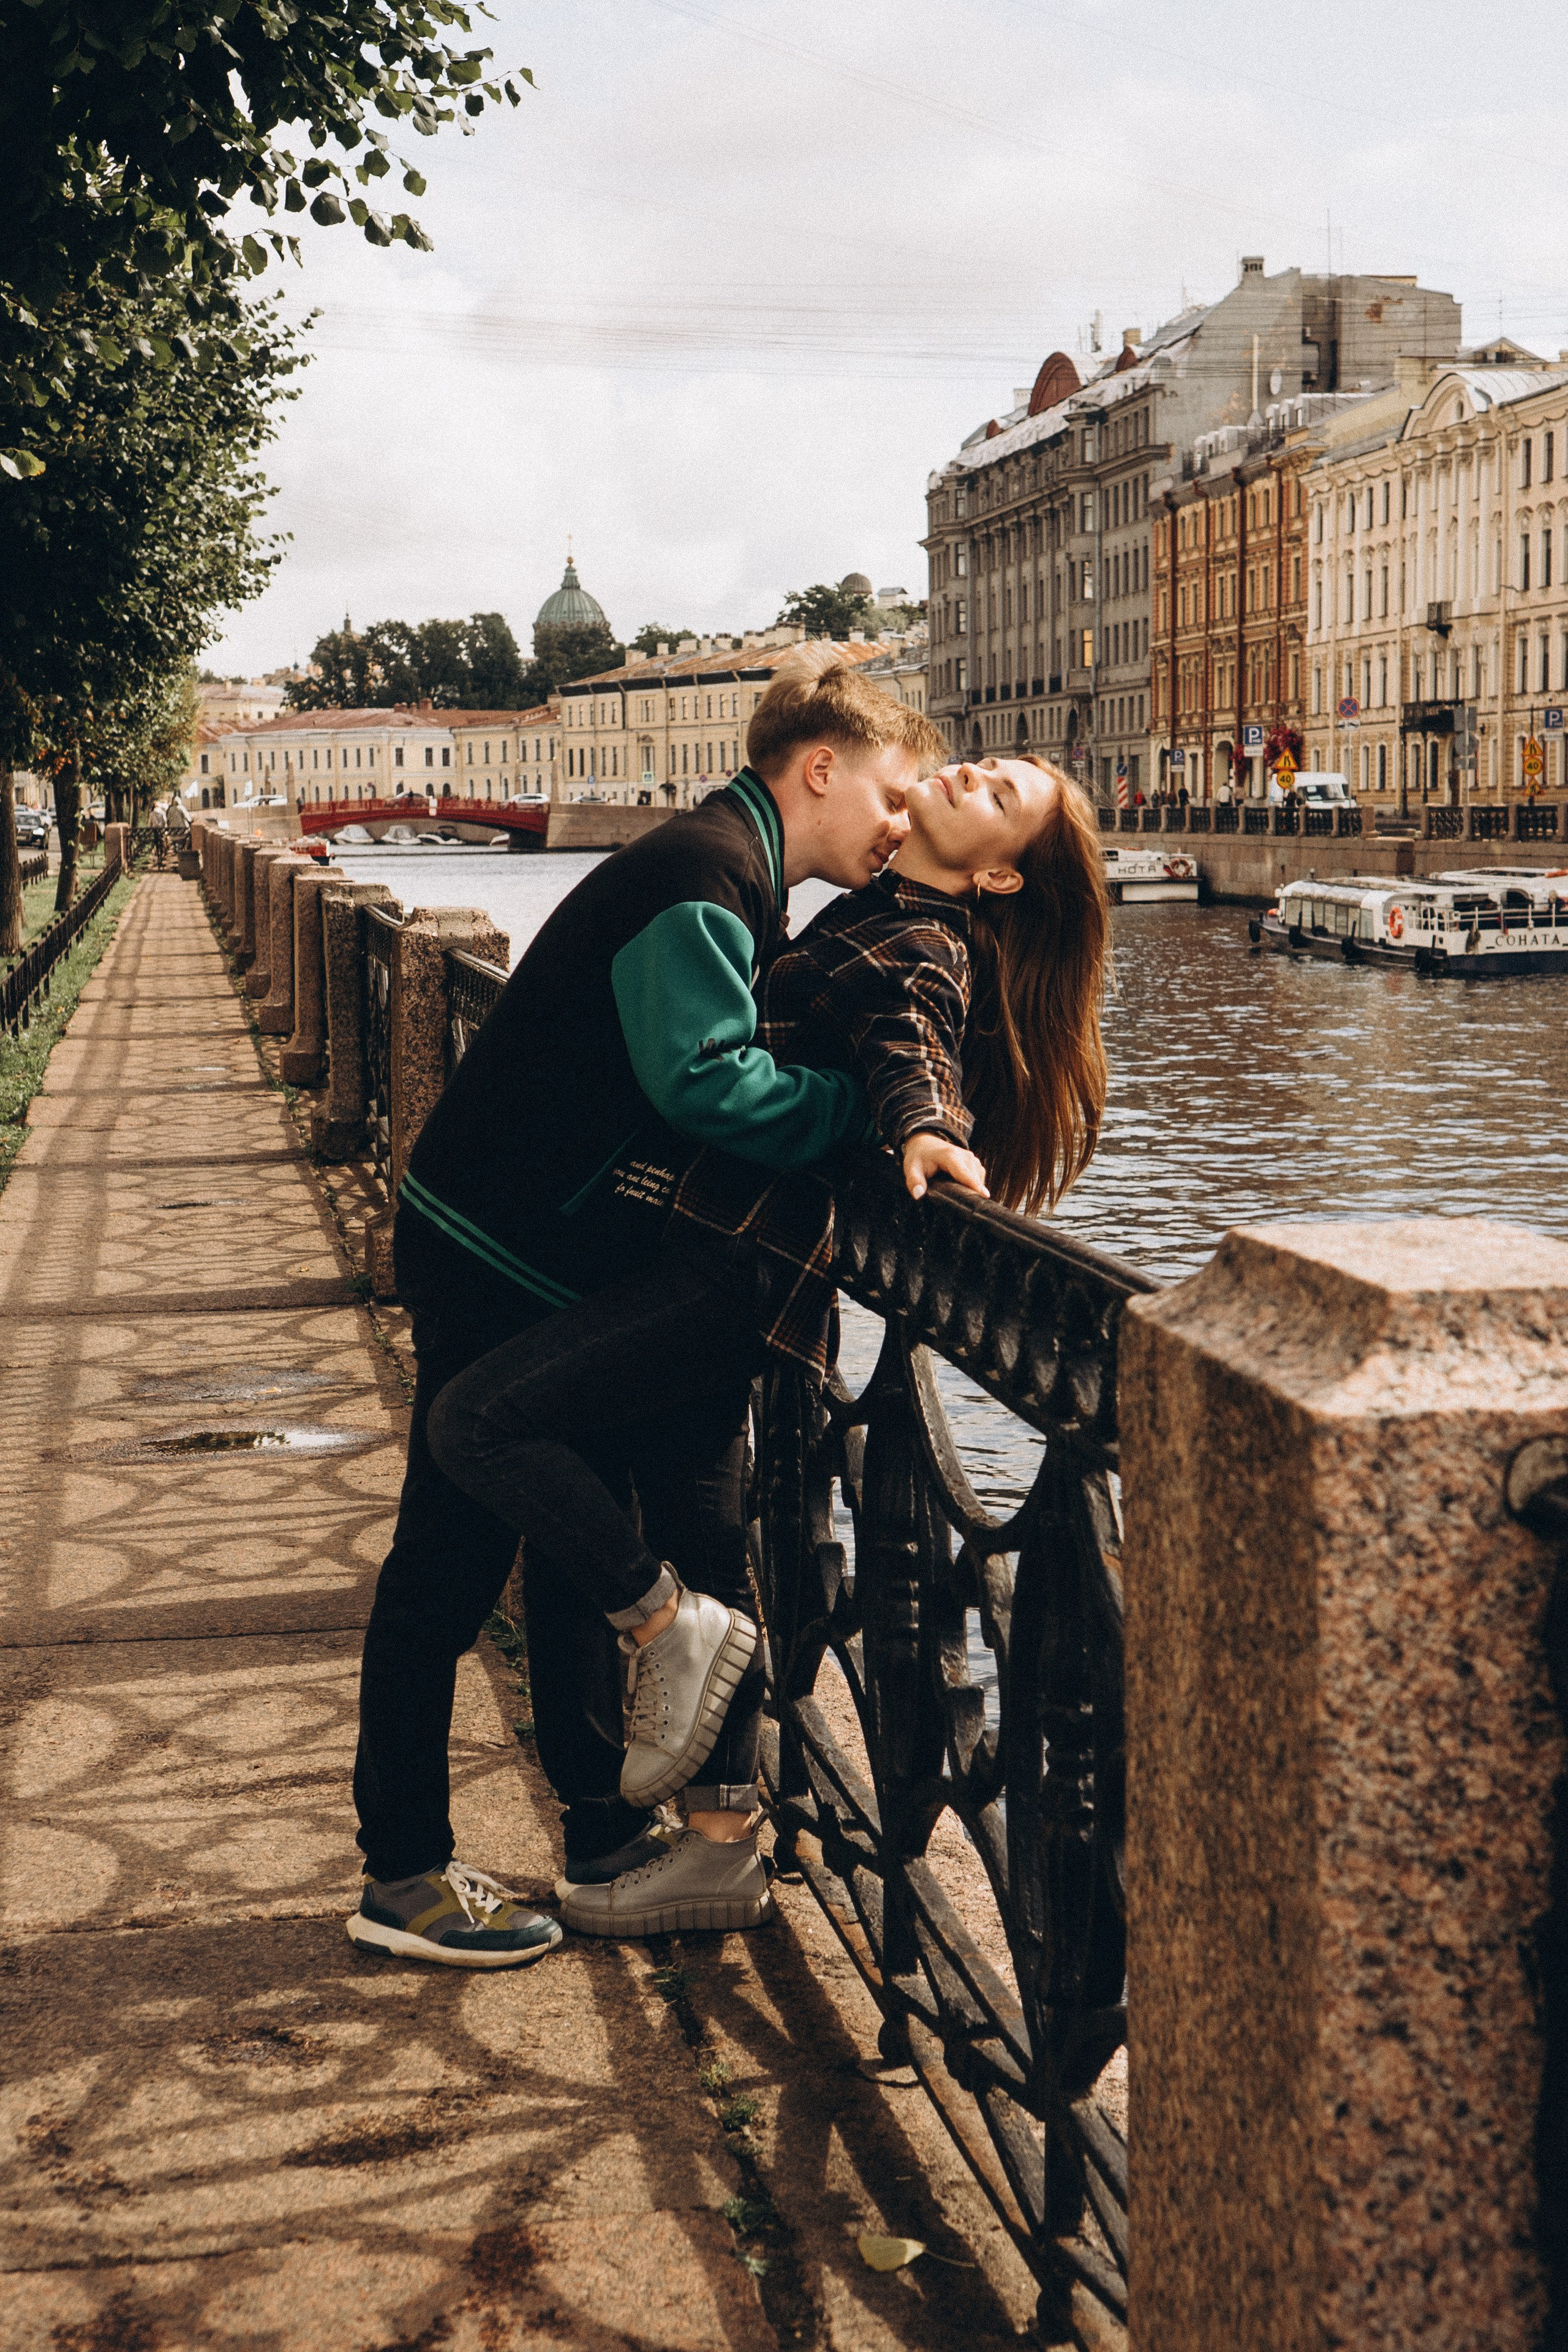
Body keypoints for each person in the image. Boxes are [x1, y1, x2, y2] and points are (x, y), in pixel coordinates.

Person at [426, 752, 1110, 1940]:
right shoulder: (876, 904)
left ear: (1000, 875)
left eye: (1000, 796)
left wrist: (925, 1128)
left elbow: (910, 1041)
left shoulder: (923, 941)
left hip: (730, 1270)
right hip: (707, 1258)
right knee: (701, 1529)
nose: (970, 774)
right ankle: (715, 1844)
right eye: (985, 763)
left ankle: (663, 1628)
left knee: (481, 1422)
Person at [347, 657, 949, 1968]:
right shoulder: (702, 871)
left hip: (540, 1247)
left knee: (566, 1546)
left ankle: (599, 1836)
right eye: (893, 797)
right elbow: (707, 1085)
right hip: (490, 1244)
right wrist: (860, 1125)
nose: (900, 824)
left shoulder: (730, 869)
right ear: (822, 769)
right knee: (443, 1568)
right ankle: (399, 1874)